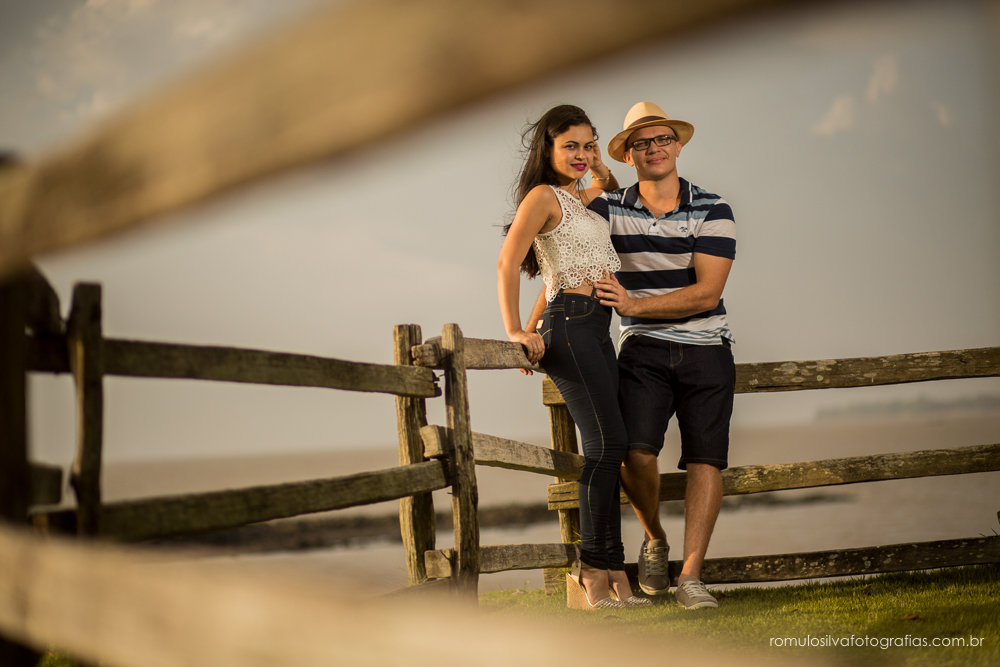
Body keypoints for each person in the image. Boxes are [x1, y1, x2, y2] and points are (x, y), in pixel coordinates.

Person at [497, 105, 649, 610]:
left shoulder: (580, 200)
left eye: (589, 144)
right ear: (548, 148)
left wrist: (598, 166)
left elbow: (604, 183)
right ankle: (595, 573)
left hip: (595, 326)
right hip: (572, 328)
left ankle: (612, 570)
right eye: (571, 146)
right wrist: (517, 329)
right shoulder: (542, 197)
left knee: (613, 446)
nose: (582, 155)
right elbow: (508, 259)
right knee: (606, 447)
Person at [591, 102, 737, 610]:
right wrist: (529, 329)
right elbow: (562, 232)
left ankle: (692, 578)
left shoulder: (714, 208)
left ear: (677, 145)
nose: (654, 149)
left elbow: (706, 293)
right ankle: (654, 538)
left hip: (707, 348)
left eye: (661, 140)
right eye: (642, 143)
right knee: (635, 452)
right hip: (643, 349)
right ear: (629, 155)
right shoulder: (608, 210)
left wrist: (632, 303)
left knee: (705, 460)